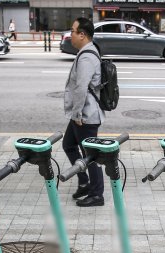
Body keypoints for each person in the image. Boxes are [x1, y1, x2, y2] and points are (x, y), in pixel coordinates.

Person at [62, 17, 104, 207]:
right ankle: (84, 182)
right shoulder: (86, 52)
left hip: (85, 116)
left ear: (82, 34)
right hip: (81, 114)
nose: (70, 34)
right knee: (69, 145)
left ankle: (97, 194)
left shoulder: (87, 56)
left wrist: (77, 114)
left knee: (90, 155)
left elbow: (81, 88)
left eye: (73, 30)